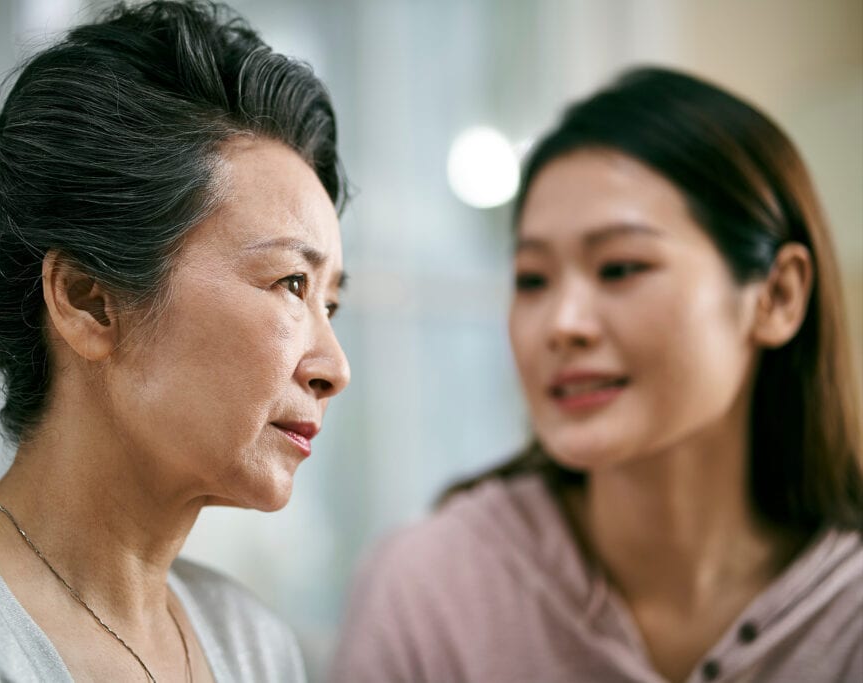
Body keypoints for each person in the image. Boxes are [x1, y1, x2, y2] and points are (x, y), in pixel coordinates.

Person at [0, 1, 350, 681]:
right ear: (89, 301)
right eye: (291, 283)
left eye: (330, 304)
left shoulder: (256, 645)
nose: (335, 367)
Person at [331, 66, 862, 683]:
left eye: (620, 267)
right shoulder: (430, 590)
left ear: (778, 297)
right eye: (532, 279)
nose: (562, 324)